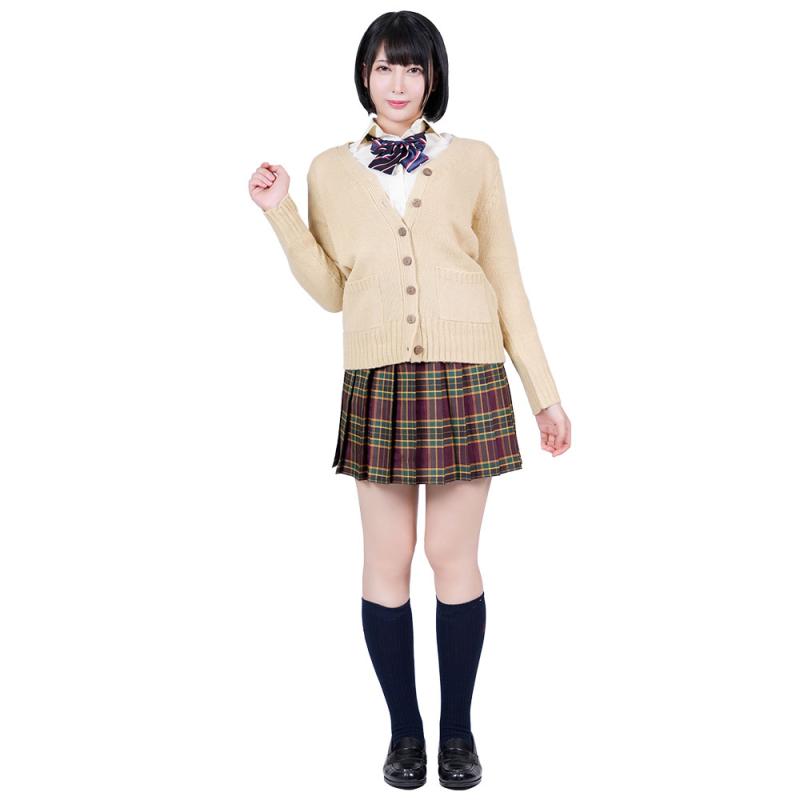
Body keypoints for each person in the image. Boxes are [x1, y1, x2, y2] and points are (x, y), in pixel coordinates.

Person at [248, 10, 571, 790]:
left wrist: (544, 394)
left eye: (414, 68)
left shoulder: (475, 160)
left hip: (467, 373)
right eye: (385, 67)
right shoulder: (328, 169)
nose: (399, 83)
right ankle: (404, 735)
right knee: (385, 560)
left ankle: (458, 733)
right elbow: (332, 290)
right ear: (365, 76)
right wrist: (280, 212)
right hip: (379, 377)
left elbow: (507, 279)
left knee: (452, 558)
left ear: (433, 78)